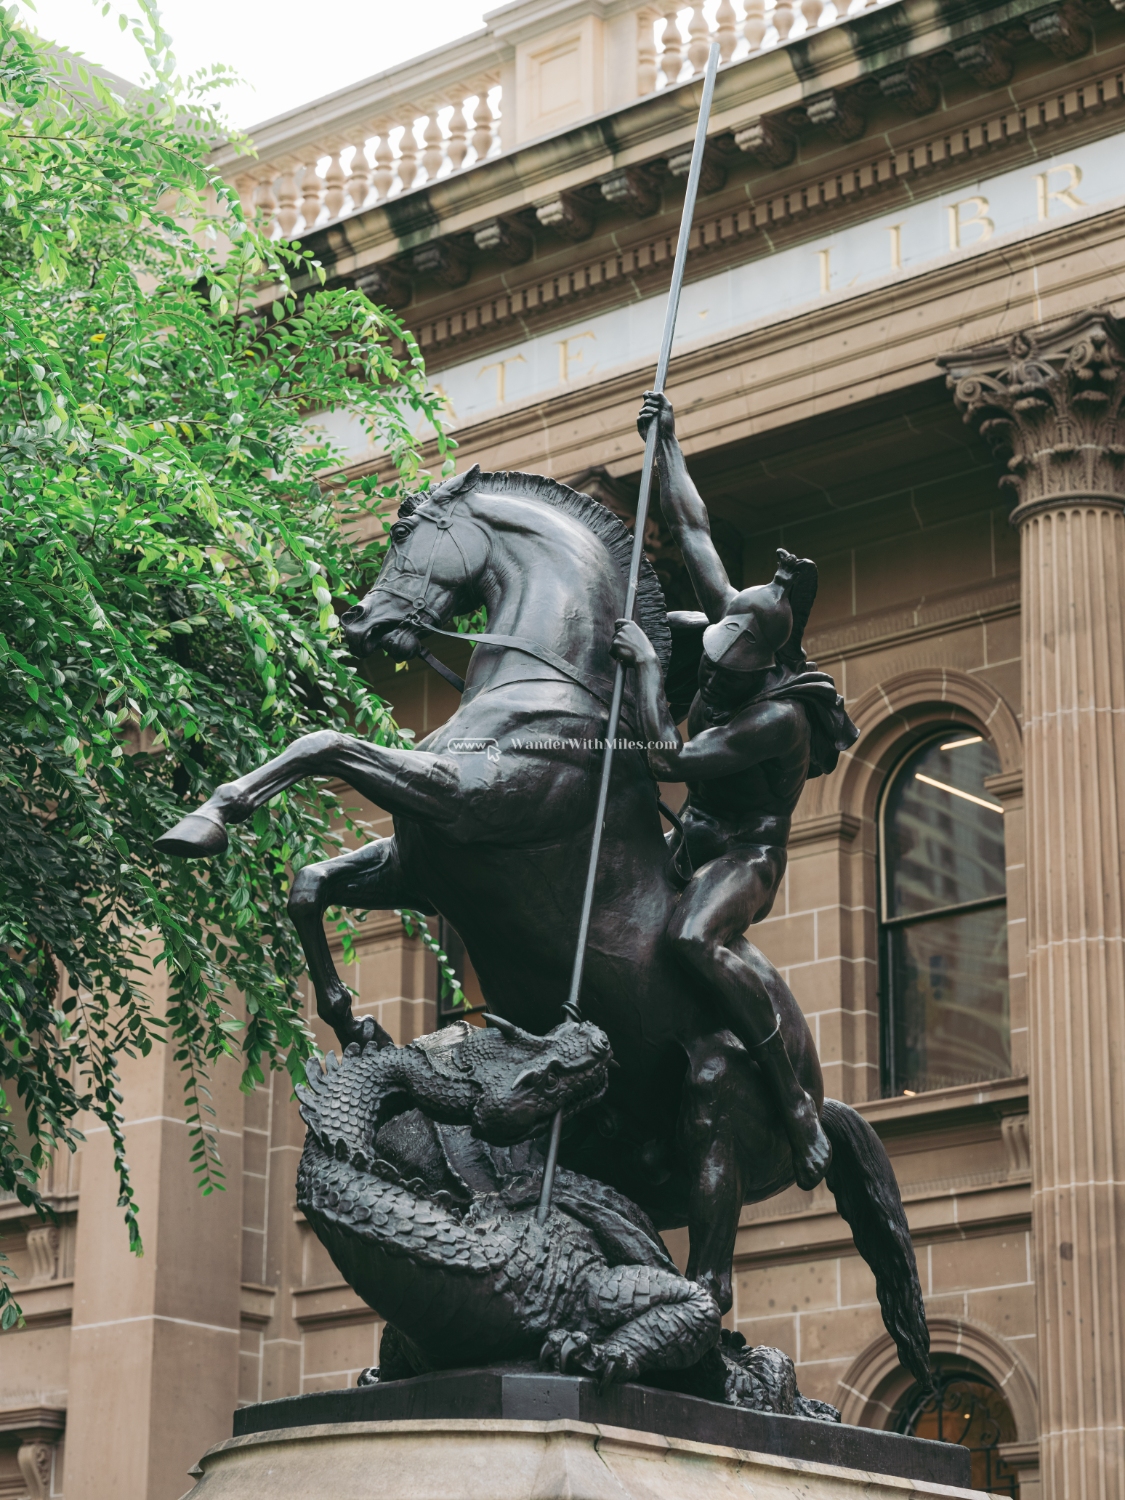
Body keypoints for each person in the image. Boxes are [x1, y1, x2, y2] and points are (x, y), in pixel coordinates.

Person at [610, 392, 858, 1190]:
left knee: (689, 940)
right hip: (695, 833)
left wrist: (651, 667)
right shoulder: (737, 625)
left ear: (764, 668)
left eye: (724, 668)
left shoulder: (779, 719)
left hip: (743, 855)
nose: (710, 671)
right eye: (709, 658)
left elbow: (668, 761)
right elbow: (692, 531)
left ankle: (789, 1099)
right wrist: (666, 445)